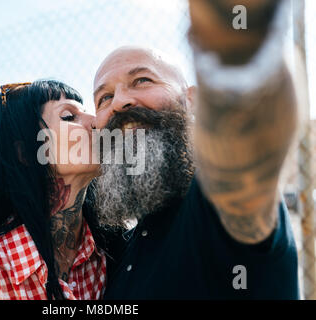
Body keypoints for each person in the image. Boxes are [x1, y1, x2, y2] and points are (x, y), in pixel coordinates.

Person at [92, 0, 300, 299]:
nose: (120, 102)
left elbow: (247, 147)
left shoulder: (217, 196)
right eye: (104, 97)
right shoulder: (123, 247)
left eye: (142, 80)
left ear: (193, 101)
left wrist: (235, 42)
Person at [0, 80, 121, 300]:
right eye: (69, 116)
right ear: (24, 153)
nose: (97, 122)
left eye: (88, 112)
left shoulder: (109, 248)